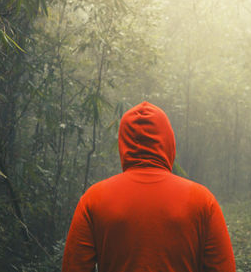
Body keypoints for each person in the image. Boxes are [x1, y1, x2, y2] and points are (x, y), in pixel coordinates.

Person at [62, 101, 236, 272]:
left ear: (123, 143)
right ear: (169, 142)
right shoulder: (202, 200)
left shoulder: (94, 199)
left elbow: (74, 267)